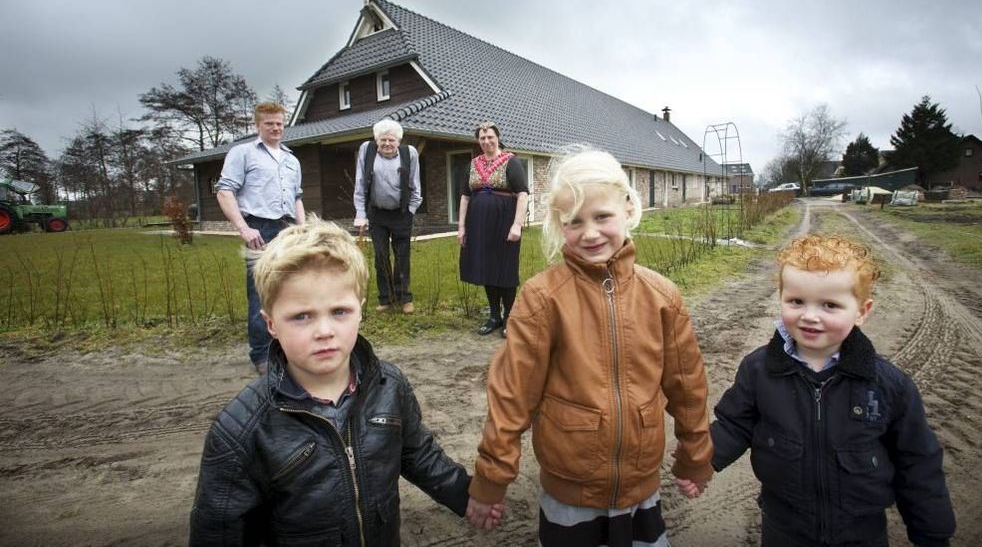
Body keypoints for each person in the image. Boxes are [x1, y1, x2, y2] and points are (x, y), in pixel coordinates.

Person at [189, 217, 491, 545]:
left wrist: (467, 495)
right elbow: (217, 531)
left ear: (360, 310)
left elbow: (417, 455)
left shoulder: (388, 387)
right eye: (302, 316)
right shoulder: (241, 430)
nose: (324, 331)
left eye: (339, 312)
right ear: (271, 324)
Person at [466, 148, 713, 545]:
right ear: (559, 225)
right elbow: (511, 393)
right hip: (570, 490)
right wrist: (491, 479)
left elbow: (688, 386)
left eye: (602, 217)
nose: (590, 233)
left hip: (641, 485)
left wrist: (696, 455)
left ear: (628, 208)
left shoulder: (662, 296)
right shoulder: (542, 298)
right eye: (574, 222)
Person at [705, 234, 956, 547]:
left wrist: (933, 535)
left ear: (862, 311)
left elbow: (918, 462)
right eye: (796, 301)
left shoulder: (889, 385)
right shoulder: (759, 370)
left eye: (830, 305)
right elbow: (734, 423)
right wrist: (699, 460)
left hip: (861, 532)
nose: (810, 315)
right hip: (784, 527)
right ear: (781, 298)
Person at [216, 101, 305, 374]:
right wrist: (244, 228)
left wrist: (303, 229)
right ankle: (262, 356)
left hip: (288, 230)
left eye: (279, 123)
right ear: (258, 125)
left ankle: (288, 348)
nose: (276, 128)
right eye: (269, 123)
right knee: (260, 292)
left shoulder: (292, 160)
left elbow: (297, 197)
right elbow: (224, 191)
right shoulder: (242, 153)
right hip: (259, 229)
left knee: (290, 291)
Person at [457, 122, 529, 336]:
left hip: (504, 223)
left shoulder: (511, 162)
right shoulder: (472, 164)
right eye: (482, 138)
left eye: (490, 137)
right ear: (478, 141)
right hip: (478, 224)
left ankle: (509, 316)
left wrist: (517, 224)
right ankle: (494, 316)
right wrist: (461, 227)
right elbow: (465, 196)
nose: (486, 141)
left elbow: (523, 194)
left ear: (497, 138)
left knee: (505, 269)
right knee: (486, 268)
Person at [353, 119, 422, 315]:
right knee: (380, 256)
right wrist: (360, 213)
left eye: (391, 140)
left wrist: (411, 210)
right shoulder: (367, 150)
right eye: (383, 140)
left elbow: (415, 185)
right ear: (376, 140)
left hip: (401, 213)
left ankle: (404, 298)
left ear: (398, 141)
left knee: (402, 257)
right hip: (377, 213)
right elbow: (359, 183)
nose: (387, 144)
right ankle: (386, 299)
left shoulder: (410, 154)